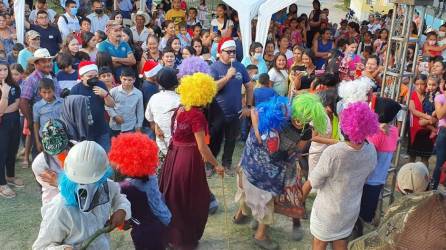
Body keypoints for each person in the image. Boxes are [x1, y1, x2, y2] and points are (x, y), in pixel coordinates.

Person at [235, 94, 327, 249]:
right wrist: (257, 132)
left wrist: (287, 153)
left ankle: (254, 227)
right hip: (253, 162)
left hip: (273, 173)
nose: (300, 120)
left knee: (265, 199)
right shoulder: (280, 111)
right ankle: (256, 231)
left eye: (307, 117)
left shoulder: (306, 131)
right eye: (299, 115)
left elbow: (298, 149)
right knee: (249, 191)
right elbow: (254, 111)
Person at [302, 102, 378, 250]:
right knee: (341, 241)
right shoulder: (371, 151)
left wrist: (300, 200)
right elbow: (368, 175)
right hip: (350, 210)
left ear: (345, 127)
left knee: (319, 243)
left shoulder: (334, 153)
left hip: (328, 212)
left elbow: (313, 182)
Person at [32, 140, 131, 249]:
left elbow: (119, 197)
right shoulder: (60, 207)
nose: (86, 187)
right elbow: (40, 247)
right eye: (81, 182)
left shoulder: (106, 186)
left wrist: (122, 210)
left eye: (92, 182)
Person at [109, 133, 170, 250]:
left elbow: (123, 217)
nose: (116, 166)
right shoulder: (150, 176)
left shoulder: (127, 187)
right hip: (161, 223)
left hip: (143, 232)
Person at [209, 38, 253, 175]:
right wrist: (227, 77)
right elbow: (211, 89)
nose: (232, 54)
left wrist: (248, 106)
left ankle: (227, 164)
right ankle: (209, 165)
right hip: (216, 113)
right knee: (213, 139)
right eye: (229, 52)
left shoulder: (239, 66)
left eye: (234, 52)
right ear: (220, 52)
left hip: (236, 113)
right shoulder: (214, 67)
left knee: (231, 140)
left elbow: (249, 86)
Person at [357, 97, 401, 234]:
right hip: (379, 179)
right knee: (366, 214)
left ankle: (356, 239)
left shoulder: (376, 134)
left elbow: (367, 155)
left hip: (367, 179)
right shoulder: (394, 131)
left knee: (359, 216)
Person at [20, 48, 61, 158]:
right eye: (43, 61)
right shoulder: (31, 79)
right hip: (40, 121)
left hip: (56, 119)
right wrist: (29, 120)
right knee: (39, 151)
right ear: (36, 64)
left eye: (49, 61)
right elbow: (23, 101)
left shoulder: (53, 75)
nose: (48, 63)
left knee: (57, 150)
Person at [70, 61, 114, 151]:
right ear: (82, 77)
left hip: (101, 130)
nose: (93, 79)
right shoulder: (75, 90)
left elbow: (112, 104)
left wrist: (105, 94)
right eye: (90, 77)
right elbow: (71, 112)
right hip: (85, 133)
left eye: (95, 76)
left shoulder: (101, 84)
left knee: (105, 158)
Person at [31, 119, 71, 204]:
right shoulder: (39, 164)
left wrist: (59, 181)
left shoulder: (78, 149)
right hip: (53, 201)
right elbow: (55, 187)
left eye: (61, 149)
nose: (58, 154)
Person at [145, 67, 180, 157]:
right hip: (179, 148)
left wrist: (157, 126)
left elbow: (149, 118)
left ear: (158, 82)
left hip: (162, 146)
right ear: (177, 83)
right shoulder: (181, 100)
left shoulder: (154, 98)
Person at [0, 61, 23, 198]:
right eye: (0, 70)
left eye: (4, 69)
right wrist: (4, 93)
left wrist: (3, 111)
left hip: (14, 122)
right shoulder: (6, 88)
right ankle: (2, 184)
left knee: (12, 150)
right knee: (1, 154)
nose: (2, 72)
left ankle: (10, 176)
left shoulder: (14, 85)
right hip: (2, 126)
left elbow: (17, 104)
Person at [106, 67, 144, 136]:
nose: (126, 82)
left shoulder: (138, 93)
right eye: (124, 79)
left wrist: (139, 125)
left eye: (130, 80)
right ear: (120, 78)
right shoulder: (114, 91)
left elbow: (140, 111)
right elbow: (108, 106)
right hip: (115, 126)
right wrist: (115, 116)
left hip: (130, 126)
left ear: (134, 80)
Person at [408, 74, 433, 167]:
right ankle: (409, 176)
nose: (419, 86)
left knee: (425, 157)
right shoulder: (412, 94)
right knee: (412, 156)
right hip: (414, 128)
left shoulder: (430, 94)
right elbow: (413, 111)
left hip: (427, 130)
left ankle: (424, 178)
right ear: (414, 84)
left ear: (426, 83)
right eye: (417, 84)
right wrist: (428, 117)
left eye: (422, 84)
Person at [32, 78, 63, 152]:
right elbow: (36, 124)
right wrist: (37, 142)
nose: (47, 95)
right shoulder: (37, 106)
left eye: (49, 92)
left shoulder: (62, 102)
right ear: (39, 92)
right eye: (44, 92)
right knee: (48, 161)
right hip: (45, 139)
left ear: (54, 90)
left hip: (61, 137)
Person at [433, 82, 446, 189]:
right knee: (440, 163)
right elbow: (440, 114)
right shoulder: (440, 98)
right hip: (444, 132)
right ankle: (434, 190)